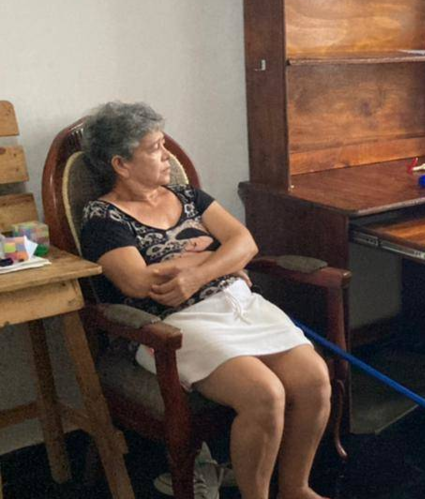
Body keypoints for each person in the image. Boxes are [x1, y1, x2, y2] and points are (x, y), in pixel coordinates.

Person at [79, 102, 330, 499]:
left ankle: (295, 489)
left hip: (239, 304)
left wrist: (197, 269)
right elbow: (137, 281)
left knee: (314, 379)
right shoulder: (103, 217)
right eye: (155, 148)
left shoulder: (188, 196)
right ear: (121, 164)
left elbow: (245, 243)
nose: (167, 155)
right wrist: (219, 257)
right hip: (175, 325)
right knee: (264, 394)